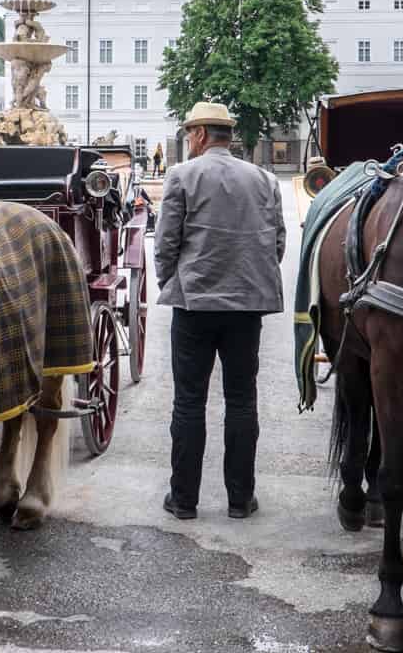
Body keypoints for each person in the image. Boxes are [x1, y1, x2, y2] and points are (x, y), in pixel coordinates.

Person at [153, 102, 284, 521]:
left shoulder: (182, 175)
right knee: (242, 400)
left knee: (189, 403)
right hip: (246, 306)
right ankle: (240, 500)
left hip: (194, 304)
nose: (190, 139)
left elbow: (165, 244)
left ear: (200, 136)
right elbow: (276, 242)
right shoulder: (265, 179)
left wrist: (171, 282)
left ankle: (184, 500)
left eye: (191, 133)